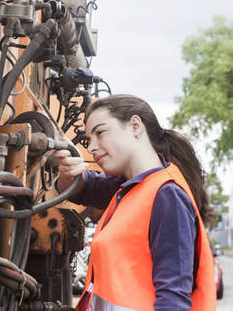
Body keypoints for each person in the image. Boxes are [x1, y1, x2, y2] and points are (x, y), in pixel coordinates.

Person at [53, 94, 216, 311]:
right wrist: (66, 170)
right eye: (89, 138)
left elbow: (173, 300)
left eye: (100, 133)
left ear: (135, 126)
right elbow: (84, 187)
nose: (91, 147)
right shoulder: (131, 189)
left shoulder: (167, 196)